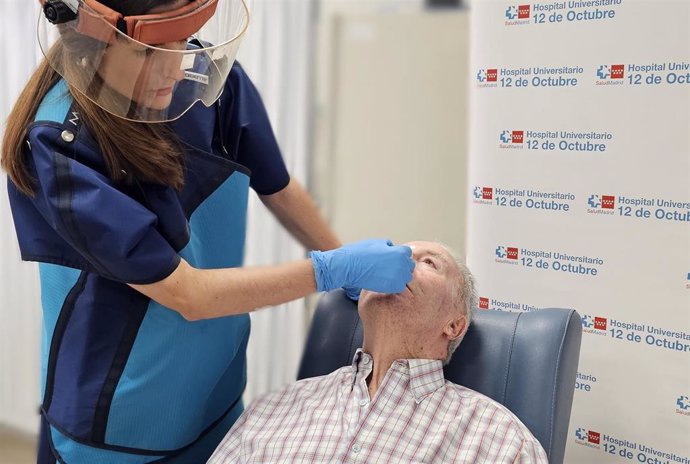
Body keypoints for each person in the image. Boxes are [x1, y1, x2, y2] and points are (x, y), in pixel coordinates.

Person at [0, 1, 415, 462]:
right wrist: (333, 269)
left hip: (213, 394)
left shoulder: (206, 82)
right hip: (115, 418)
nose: (176, 68)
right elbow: (187, 294)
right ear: (93, 38)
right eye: (151, 50)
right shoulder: (60, 143)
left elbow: (278, 188)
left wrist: (348, 267)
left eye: (185, 39)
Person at [208, 241, 549, 464]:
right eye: (394, 256)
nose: (397, 266)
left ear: (453, 326)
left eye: (428, 263)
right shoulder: (274, 410)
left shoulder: (499, 440)